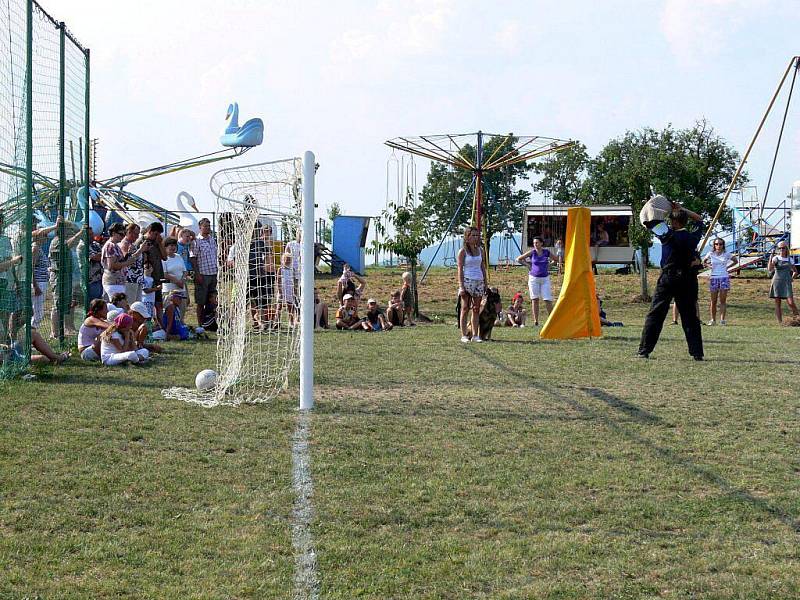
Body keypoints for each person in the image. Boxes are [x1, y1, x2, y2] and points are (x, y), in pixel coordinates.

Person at [637, 203, 704, 360]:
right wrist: (683, 209)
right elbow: (699, 220)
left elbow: (650, 220)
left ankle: (644, 350)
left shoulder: (667, 234)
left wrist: (669, 208)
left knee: (656, 314)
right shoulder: (693, 237)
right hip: (687, 279)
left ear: (673, 223)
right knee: (690, 317)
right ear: (685, 222)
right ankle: (697, 353)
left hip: (668, 277)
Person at [517, 236, 557, 327]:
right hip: (533, 279)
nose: (535, 244)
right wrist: (527, 265)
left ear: (541, 243)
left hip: (545, 279)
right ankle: (536, 321)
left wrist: (549, 266)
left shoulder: (546, 252)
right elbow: (518, 259)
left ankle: (552, 319)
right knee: (535, 299)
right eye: (534, 243)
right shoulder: (532, 252)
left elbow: (556, 259)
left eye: (537, 243)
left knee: (547, 299)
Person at [457, 226, 487, 342]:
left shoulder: (480, 250)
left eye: (477, 235)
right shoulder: (463, 251)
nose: (475, 237)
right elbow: (460, 268)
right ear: (467, 237)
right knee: (465, 308)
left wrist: (485, 282)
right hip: (467, 280)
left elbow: (482, 266)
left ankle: (475, 335)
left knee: (476, 308)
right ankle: (464, 334)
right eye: (473, 235)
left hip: (479, 280)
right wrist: (461, 285)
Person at [102, 222, 145, 302]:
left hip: (119, 282)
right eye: (121, 234)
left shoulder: (114, 245)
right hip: (113, 282)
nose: (123, 236)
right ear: (114, 233)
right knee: (119, 307)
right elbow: (112, 266)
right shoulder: (110, 246)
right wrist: (128, 262)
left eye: (124, 234)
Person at [190, 217, 218, 328]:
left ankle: (210, 323)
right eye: (205, 226)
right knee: (201, 301)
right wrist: (197, 274)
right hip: (202, 274)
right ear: (200, 227)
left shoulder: (212, 239)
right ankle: (200, 324)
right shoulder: (196, 241)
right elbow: (193, 258)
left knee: (212, 300)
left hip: (213, 273)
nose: (207, 228)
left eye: (209, 226)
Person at [702, 238, 737, 325]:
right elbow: (704, 261)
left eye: (720, 244)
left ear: (723, 245)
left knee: (722, 300)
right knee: (713, 301)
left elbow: (735, 261)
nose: (718, 246)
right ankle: (713, 320)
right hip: (714, 278)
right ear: (714, 245)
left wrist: (728, 267)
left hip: (724, 277)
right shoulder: (710, 253)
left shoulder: (726, 254)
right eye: (716, 244)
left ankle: (722, 320)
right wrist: (708, 266)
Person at [139, 222, 167, 323]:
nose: (157, 236)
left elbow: (164, 257)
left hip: (157, 277)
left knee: (159, 303)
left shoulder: (156, 242)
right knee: (146, 302)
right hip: (147, 278)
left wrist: (160, 243)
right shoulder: (142, 241)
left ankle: (161, 325)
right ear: (150, 231)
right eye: (156, 234)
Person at [768, 241, 799, 324]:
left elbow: (795, 272)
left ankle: (798, 319)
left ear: (786, 248)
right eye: (780, 248)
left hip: (786, 283)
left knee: (791, 303)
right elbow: (770, 269)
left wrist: (791, 279)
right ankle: (780, 323)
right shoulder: (776, 258)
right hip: (777, 282)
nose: (781, 249)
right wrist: (771, 257)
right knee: (777, 303)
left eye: (783, 248)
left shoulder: (790, 259)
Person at [161, 237, 188, 317]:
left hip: (181, 289)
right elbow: (165, 274)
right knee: (169, 312)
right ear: (165, 247)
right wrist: (177, 281)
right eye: (171, 245)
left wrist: (182, 280)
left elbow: (185, 271)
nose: (173, 247)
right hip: (169, 290)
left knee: (181, 312)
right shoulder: (163, 259)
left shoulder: (178, 257)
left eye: (174, 245)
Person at [120, 223, 143, 304]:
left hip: (137, 279)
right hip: (130, 279)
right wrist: (141, 250)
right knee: (131, 304)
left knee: (137, 305)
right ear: (129, 232)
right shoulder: (125, 243)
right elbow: (126, 259)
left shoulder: (133, 244)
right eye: (135, 234)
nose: (137, 236)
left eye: (138, 234)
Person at [278, 252, 297, 326]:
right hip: (282, 288)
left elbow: (294, 280)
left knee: (290, 306)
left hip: (290, 289)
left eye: (289, 259)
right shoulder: (280, 269)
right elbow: (278, 281)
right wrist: (280, 291)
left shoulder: (292, 269)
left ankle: (291, 321)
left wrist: (294, 290)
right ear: (283, 260)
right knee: (279, 306)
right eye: (286, 259)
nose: (288, 261)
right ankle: (277, 321)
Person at [141, 260, 158, 324]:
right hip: (145, 301)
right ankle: (147, 330)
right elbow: (146, 291)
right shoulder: (143, 279)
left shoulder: (152, 278)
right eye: (146, 268)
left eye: (150, 267)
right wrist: (156, 288)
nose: (149, 269)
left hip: (151, 301)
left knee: (150, 316)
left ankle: (149, 330)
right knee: (147, 317)